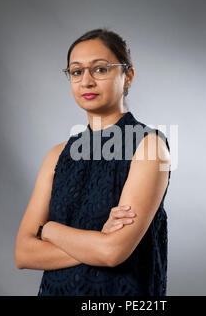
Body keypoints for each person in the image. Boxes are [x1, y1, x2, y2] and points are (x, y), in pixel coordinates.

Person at [14, 28, 171, 295]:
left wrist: (48, 229)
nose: (86, 81)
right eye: (76, 72)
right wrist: (97, 241)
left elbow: (112, 252)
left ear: (128, 75)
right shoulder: (57, 155)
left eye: (100, 69)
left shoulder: (149, 146)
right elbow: (23, 253)